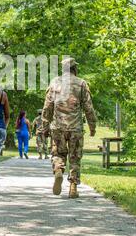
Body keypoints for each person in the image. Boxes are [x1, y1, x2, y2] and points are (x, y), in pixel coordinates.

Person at [41, 57, 96, 198]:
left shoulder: (54, 83)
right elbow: (88, 108)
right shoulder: (81, 83)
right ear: (75, 68)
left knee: (58, 154)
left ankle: (58, 170)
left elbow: (47, 107)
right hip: (75, 127)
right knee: (75, 157)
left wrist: (44, 126)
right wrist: (92, 126)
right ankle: (73, 187)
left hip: (57, 127)